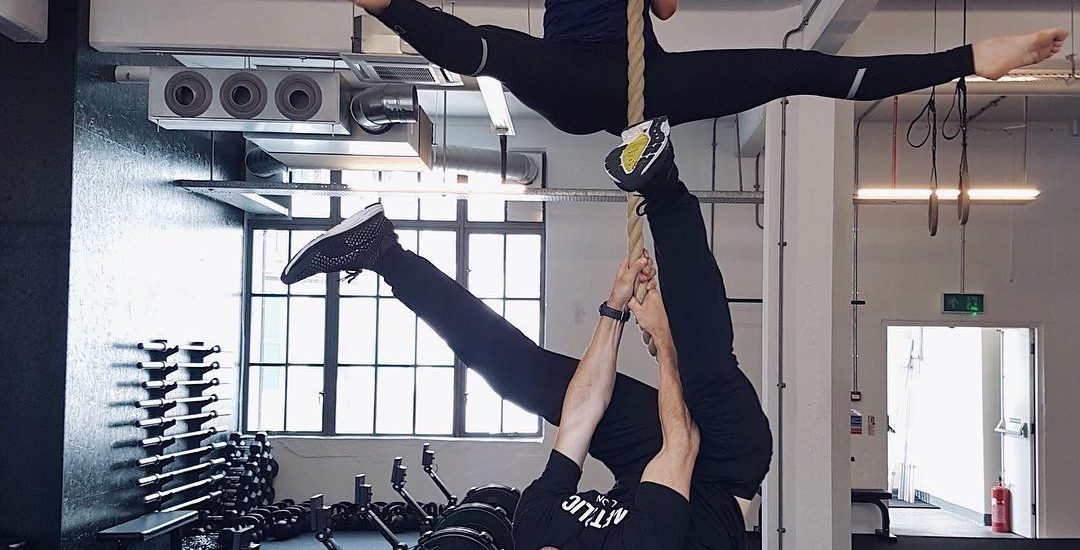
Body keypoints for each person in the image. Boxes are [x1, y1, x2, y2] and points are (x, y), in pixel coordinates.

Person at [280, 116, 770, 550]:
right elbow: (681, 443)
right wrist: (663, 340)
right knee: (702, 365)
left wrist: (615, 308)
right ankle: (663, 186)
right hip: (724, 466)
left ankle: (382, 252)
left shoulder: (533, 527)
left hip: (647, 467)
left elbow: (580, 414)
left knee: (520, 378)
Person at [346, 0, 1069, 136]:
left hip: (638, 80)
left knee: (800, 69)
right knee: (486, 48)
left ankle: (972, 59)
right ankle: (389, 6)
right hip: (572, 78)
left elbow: (663, 10)